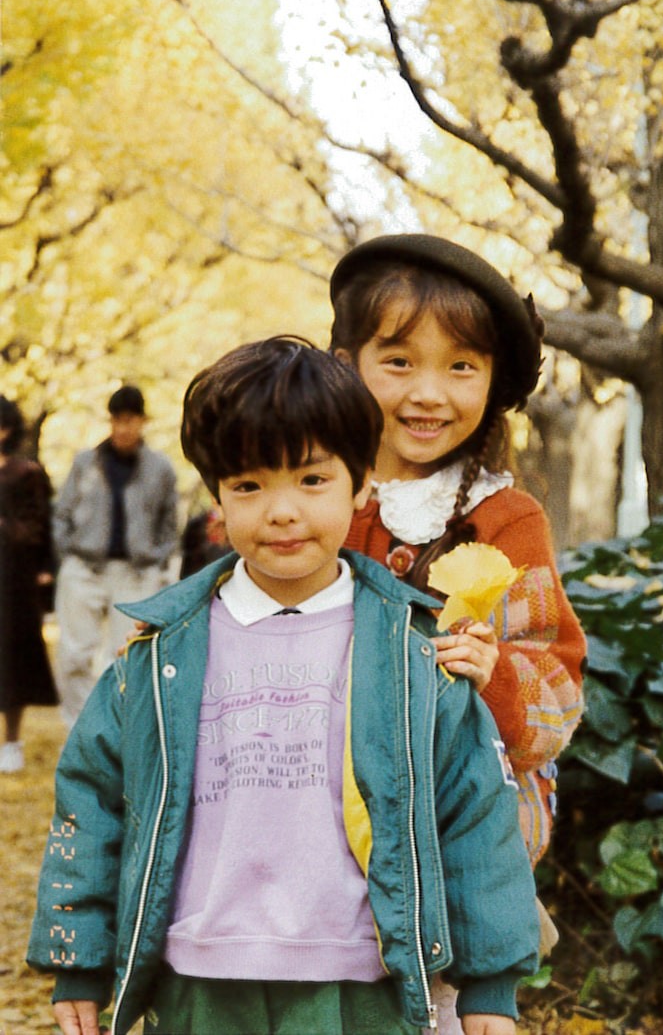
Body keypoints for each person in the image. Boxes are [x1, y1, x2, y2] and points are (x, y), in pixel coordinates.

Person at [28, 337, 539, 1035]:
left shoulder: (413, 654)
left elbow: (475, 809)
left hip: (358, 981)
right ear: (217, 500)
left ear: (363, 484)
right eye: (248, 485)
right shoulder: (159, 657)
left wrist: (490, 986)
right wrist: (79, 960)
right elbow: (91, 800)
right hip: (197, 979)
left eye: (311, 479)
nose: (281, 509)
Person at [329, 237, 586, 1030]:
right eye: (398, 361)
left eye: (460, 366)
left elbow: (557, 696)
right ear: (346, 361)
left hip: (449, 831)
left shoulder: (504, 520)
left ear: (494, 382)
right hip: (316, 811)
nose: (428, 393)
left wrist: (494, 669)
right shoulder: (318, 497)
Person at [52, 385, 178, 729]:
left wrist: (158, 559)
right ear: (109, 421)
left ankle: (118, 732)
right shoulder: (85, 462)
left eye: (130, 420)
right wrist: (67, 556)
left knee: (127, 655)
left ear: (143, 421)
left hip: (136, 573)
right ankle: (79, 729)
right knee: (75, 653)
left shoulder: (160, 468)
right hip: (84, 566)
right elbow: (61, 513)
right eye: (117, 420)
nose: (123, 428)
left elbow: (169, 524)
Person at [0, 396, 58, 773]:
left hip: (12, 582)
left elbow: (38, 527)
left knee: (13, 662)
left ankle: (11, 741)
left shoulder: (27, 474)